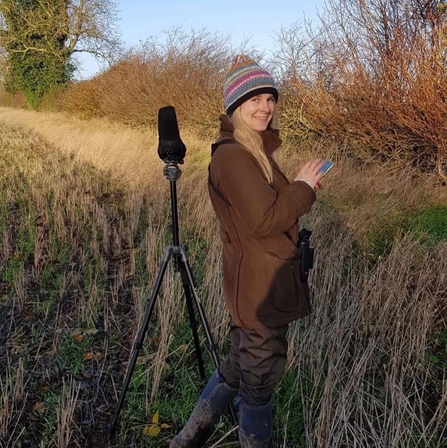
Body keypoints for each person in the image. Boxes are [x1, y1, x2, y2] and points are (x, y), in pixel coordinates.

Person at [170, 55, 324, 448]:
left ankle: (189, 438)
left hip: (259, 281)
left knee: (240, 366)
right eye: (254, 99)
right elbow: (265, 220)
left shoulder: (251, 150)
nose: (265, 107)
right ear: (236, 106)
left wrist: (301, 190)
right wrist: (304, 186)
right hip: (259, 289)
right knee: (258, 380)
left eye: (270, 98)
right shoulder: (234, 155)